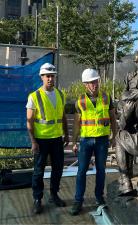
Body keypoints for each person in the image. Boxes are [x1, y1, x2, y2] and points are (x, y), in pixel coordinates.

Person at [70, 68, 117, 216]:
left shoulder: (107, 98)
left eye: (96, 81)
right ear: (85, 84)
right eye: (91, 82)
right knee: (81, 171)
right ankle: (78, 200)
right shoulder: (80, 101)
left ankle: (99, 197)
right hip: (86, 140)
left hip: (102, 140)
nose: (94, 84)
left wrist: (114, 136)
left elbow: (113, 118)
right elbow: (77, 123)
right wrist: (74, 141)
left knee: (101, 170)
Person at [26, 62, 69, 214]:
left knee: (57, 169)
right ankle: (37, 199)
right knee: (38, 171)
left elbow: (62, 116)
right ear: (42, 77)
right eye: (47, 76)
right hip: (41, 140)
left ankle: (54, 195)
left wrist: (67, 134)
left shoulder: (60, 94)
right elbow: (29, 121)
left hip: (57, 139)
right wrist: (33, 141)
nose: (50, 78)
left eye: (52, 76)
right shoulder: (34, 96)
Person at [115, 51, 138, 195]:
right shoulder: (129, 75)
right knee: (123, 129)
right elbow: (125, 92)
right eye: (136, 62)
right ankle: (126, 177)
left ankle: (126, 181)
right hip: (130, 104)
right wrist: (123, 102)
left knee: (121, 133)